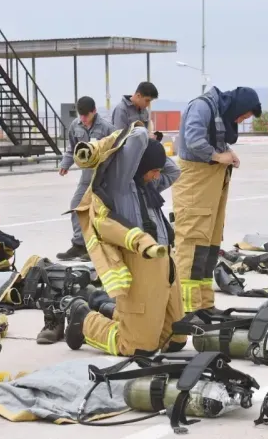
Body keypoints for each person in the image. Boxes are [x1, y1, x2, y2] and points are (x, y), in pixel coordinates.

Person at [63, 125, 186, 356]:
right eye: (153, 170)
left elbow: (174, 171)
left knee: (174, 340)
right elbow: (137, 137)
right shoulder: (119, 186)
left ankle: (112, 311)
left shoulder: (148, 183)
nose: (158, 175)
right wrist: (140, 134)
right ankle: (85, 322)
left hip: (165, 261)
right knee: (138, 348)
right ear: (139, 165)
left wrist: (154, 147)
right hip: (140, 262)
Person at [172, 86, 262, 313]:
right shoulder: (202, 107)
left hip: (212, 185)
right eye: (243, 116)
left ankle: (204, 304)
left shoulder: (220, 112)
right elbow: (193, 140)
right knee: (192, 246)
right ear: (237, 107)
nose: (240, 121)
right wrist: (217, 156)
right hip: (196, 185)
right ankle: (188, 308)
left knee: (208, 246)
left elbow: (215, 138)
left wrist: (227, 152)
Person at [57, 96, 115, 260]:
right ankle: (79, 245)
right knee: (76, 206)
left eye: (86, 116)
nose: (83, 119)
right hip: (86, 176)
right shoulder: (76, 125)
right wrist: (65, 164)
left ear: (94, 111)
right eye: (80, 115)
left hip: (105, 178)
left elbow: (117, 152)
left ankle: (98, 247)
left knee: (101, 212)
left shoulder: (107, 128)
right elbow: (72, 148)